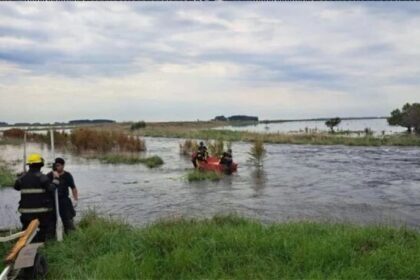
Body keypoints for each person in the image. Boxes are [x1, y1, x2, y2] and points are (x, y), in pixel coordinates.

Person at [14, 153, 60, 242]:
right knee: (42, 231)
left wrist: (20, 177)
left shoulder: (23, 178)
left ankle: (24, 246)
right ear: (40, 165)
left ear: (29, 165)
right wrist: (56, 179)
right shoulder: (42, 178)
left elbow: (16, 187)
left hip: (26, 213)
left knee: (26, 232)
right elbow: (51, 189)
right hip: (41, 213)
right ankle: (39, 246)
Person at [47, 157, 78, 234]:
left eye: (58, 165)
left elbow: (73, 188)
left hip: (64, 201)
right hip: (52, 201)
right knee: (51, 221)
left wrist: (75, 199)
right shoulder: (49, 175)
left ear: (63, 166)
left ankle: (71, 236)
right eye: (55, 165)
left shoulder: (67, 175)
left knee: (68, 220)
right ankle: (51, 238)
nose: (57, 167)